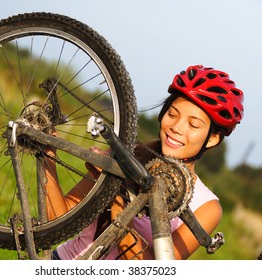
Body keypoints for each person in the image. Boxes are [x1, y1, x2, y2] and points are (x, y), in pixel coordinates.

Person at [43, 65, 244, 260]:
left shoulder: (206, 207)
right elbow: (57, 218)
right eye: (172, 114)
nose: (176, 127)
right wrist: (46, 154)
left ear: (212, 138)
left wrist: (116, 198)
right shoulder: (125, 155)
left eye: (193, 125)